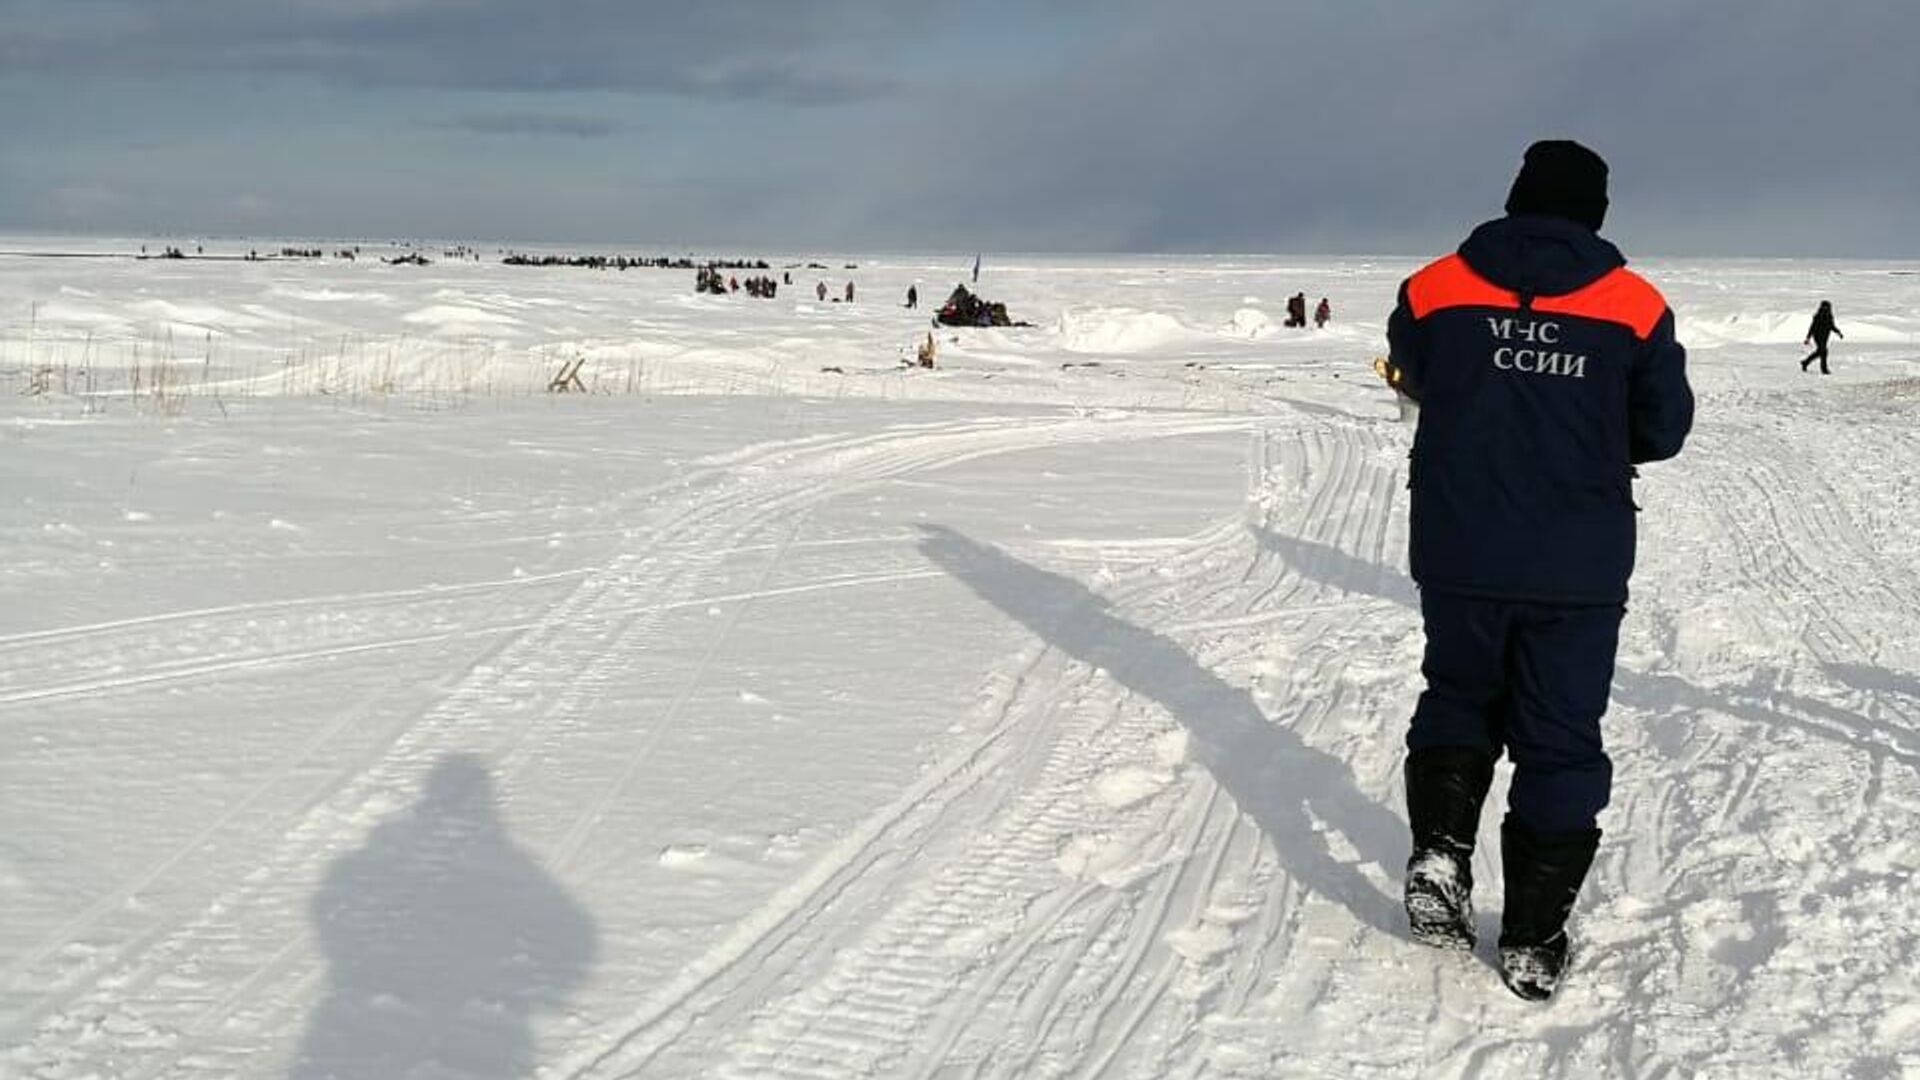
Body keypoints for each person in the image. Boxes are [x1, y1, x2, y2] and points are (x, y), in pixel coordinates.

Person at [1382, 139, 1694, 1001]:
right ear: (1596, 211)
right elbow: (1663, 429)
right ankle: (1530, 936)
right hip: (1575, 563)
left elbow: (1412, 371)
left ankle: (1442, 850)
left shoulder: (1436, 285)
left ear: (1517, 198)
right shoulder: (1633, 303)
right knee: (1560, 740)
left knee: (1458, 697)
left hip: (1458, 546)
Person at [1801, 300, 1843, 374]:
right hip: (1818, 336)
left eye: (1827, 307)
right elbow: (1812, 327)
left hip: (1825, 336)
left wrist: (1838, 332)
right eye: (1824, 307)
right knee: (1823, 351)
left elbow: (1831, 326)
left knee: (1820, 352)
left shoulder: (1829, 316)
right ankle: (1824, 369)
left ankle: (1805, 362)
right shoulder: (1818, 316)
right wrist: (1808, 337)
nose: (1826, 309)